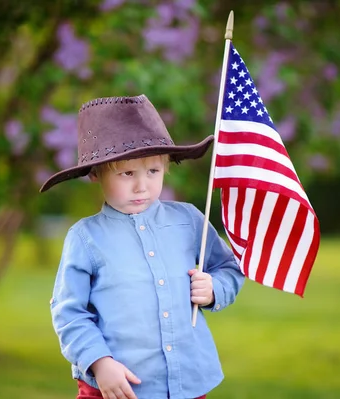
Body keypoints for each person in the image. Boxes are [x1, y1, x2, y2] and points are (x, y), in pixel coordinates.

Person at [40, 94, 245, 399]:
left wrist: (215, 288)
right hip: (117, 387)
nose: (142, 186)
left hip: (188, 382)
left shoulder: (188, 220)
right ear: (96, 173)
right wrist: (100, 362)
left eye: (153, 171)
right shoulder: (85, 238)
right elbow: (70, 313)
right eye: (127, 174)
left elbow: (229, 268)